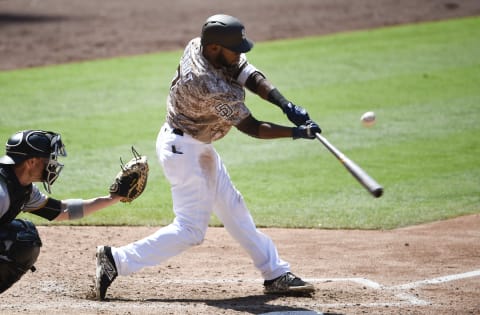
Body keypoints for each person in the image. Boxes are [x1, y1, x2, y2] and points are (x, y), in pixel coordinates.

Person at [95, 14, 321, 300]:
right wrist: (295, 133)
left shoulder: (199, 45)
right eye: (235, 48)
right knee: (190, 230)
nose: (239, 53)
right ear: (214, 48)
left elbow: (246, 72)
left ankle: (275, 273)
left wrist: (283, 102)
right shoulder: (206, 84)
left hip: (195, 145)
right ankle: (115, 260)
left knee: (233, 208)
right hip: (183, 151)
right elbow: (252, 127)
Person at [0, 129, 123, 294]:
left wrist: (112, 198)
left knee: (25, 237)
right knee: (18, 241)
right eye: (49, 158)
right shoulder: (2, 193)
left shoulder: (22, 188)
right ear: (31, 162)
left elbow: (62, 210)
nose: (53, 163)